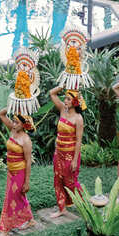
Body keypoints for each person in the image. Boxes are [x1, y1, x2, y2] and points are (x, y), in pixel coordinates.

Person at [0, 108, 35, 236]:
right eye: (14, 121)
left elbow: (28, 161)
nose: (14, 124)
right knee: (20, 197)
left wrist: (27, 182)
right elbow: (1, 113)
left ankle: (5, 230)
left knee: (11, 199)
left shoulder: (26, 140)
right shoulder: (12, 129)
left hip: (20, 172)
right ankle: (30, 219)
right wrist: (14, 104)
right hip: (11, 172)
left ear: (23, 124)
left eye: (17, 122)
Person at [48, 85, 84, 219]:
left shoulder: (78, 118)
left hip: (70, 155)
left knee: (70, 182)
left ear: (75, 102)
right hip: (59, 153)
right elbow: (52, 93)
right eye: (65, 99)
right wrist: (64, 84)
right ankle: (62, 208)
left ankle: (83, 202)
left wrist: (75, 160)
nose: (66, 101)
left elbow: (79, 141)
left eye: (68, 99)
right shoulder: (63, 110)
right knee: (58, 180)